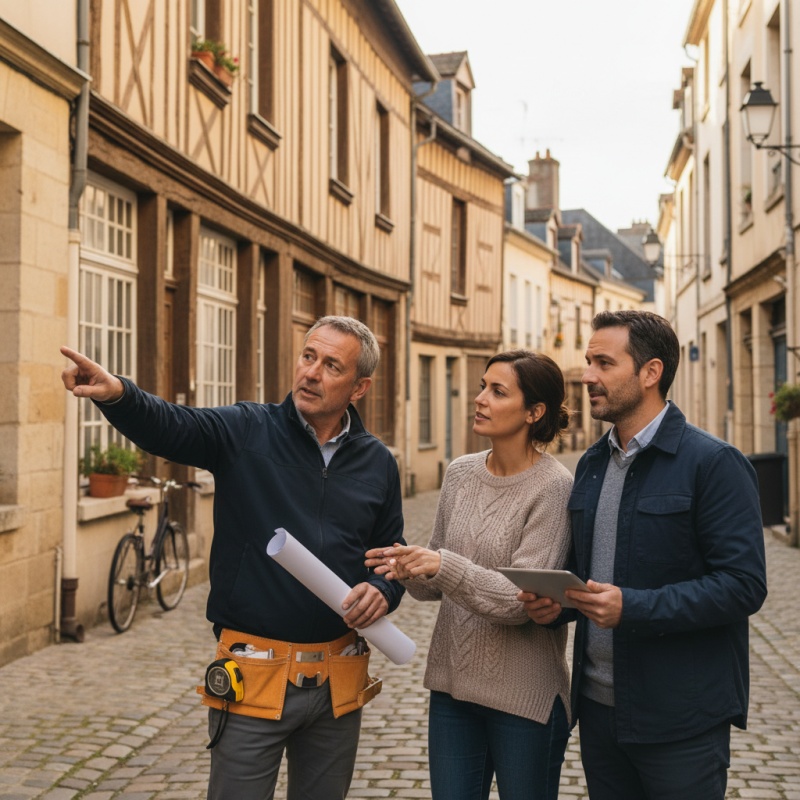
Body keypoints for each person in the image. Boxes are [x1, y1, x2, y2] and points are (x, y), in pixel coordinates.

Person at [61, 315, 405, 800]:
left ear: (359, 387)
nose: (311, 372)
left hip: (338, 681)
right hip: (252, 676)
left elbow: (389, 556)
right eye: (309, 356)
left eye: (331, 365)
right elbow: (172, 427)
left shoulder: (377, 463)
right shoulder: (247, 430)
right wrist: (118, 394)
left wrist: (384, 590)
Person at [521, 310, 768, 800]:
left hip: (682, 718)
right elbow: (587, 575)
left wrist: (632, 608)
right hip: (598, 714)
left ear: (650, 373)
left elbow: (743, 585)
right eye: (588, 361)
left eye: (603, 363)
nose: (587, 375)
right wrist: (555, 607)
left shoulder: (713, 463)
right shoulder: (590, 464)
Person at [366, 350, 573, 800]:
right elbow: (435, 586)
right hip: (453, 691)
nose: (480, 398)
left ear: (534, 412)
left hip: (525, 698)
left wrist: (442, 564)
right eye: (482, 386)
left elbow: (518, 599)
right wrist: (407, 567)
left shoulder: (554, 487)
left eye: (497, 391)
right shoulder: (460, 473)